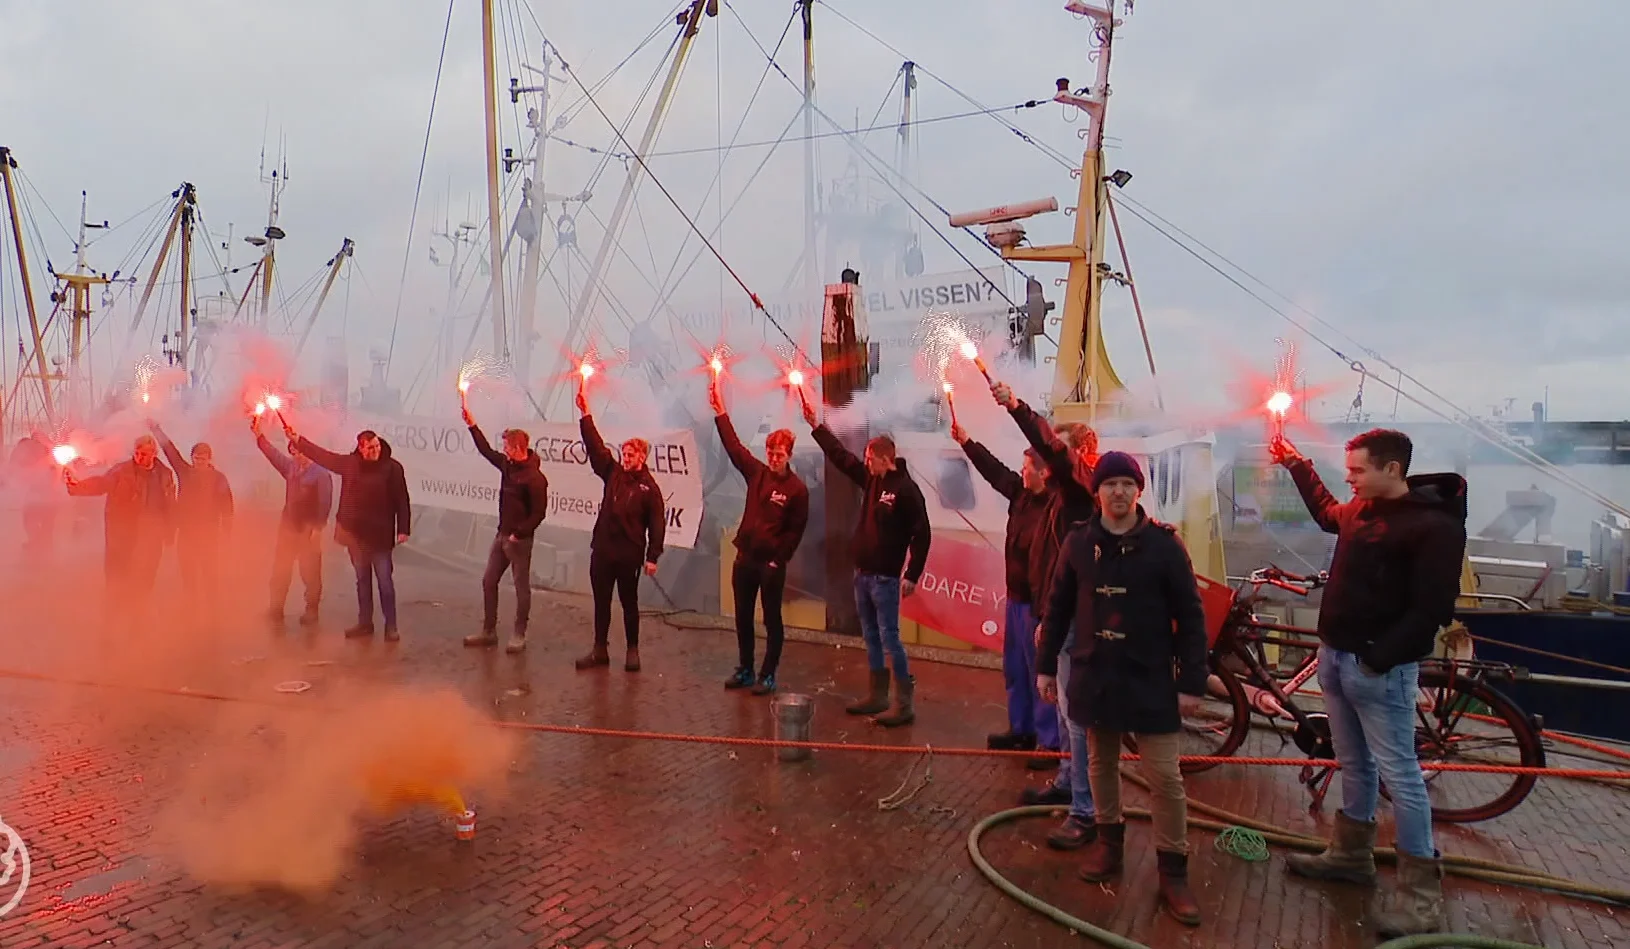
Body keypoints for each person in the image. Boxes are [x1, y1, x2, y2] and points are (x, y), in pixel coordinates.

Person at [1271, 429, 1467, 936]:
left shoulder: (1433, 527)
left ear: (1392, 470)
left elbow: (1432, 610)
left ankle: (1420, 898)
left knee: (1400, 777)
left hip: (1377, 669)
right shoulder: (1360, 512)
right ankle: (1351, 856)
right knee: (1353, 763)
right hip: (1335, 657)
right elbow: (1324, 512)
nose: (1351, 479)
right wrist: (1296, 465)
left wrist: (1379, 659)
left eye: (1358, 471)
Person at [1037, 450, 1210, 927]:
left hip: (1151, 676)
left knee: (1165, 777)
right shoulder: (1078, 543)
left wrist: (1192, 682)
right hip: (1097, 673)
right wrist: (1046, 667)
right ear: (1097, 492)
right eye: (1109, 483)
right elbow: (1057, 609)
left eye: (1127, 484)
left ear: (1139, 491)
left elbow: (1192, 617)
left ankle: (1173, 870)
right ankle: (1108, 846)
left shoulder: (1164, 547)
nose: (1118, 492)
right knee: (1099, 763)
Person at [989, 380, 1100, 847]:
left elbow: (1051, 450)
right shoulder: (1055, 499)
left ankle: (1085, 810)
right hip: (1053, 613)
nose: (1042, 457)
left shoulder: (1079, 491)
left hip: (1076, 620)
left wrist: (1017, 406)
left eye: (1057, 449)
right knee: (1059, 706)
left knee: (1076, 716)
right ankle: (1065, 780)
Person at [802, 397, 930, 727]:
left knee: (890, 637)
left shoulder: (905, 490)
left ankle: (904, 702)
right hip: (864, 575)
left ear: (887, 460)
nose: (866, 462)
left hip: (886, 578)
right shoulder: (872, 480)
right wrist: (817, 427)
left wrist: (912, 573)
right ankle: (877, 694)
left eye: (871, 458)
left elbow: (922, 534)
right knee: (871, 635)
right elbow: (842, 459)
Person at [950, 423, 1058, 756]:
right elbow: (994, 472)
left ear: (1044, 473)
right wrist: (968, 441)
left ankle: (1050, 743)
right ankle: (1022, 730)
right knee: (1014, 668)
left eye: (1027, 469)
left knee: (1040, 674)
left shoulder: (1057, 508)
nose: (1022, 473)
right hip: (1015, 599)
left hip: (1039, 605)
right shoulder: (1022, 496)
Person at [711, 375, 809, 695]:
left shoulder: (796, 490)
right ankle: (746, 668)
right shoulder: (757, 474)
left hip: (770, 565)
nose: (773, 457)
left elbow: (795, 531)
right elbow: (734, 447)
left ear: (789, 454)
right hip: (745, 559)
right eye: (770, 451)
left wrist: (777, 561)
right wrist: (719, 411)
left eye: (779, 453)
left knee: (771, 619)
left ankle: (769, 673)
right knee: (742, 617)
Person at [283, 419, 411, 641]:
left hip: (380, 536)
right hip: (356, 536)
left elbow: (402, 499)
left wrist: (403, 528)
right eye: (370, 448)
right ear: (361, 448)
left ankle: (391, 626)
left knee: (384, 582)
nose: (376, 451)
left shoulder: (392, 468)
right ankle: (365, 623)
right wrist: (298, 441)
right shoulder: (350, 464)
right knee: (362, 580)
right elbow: (324, 456)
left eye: (377, 446)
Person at [574, 385, 665, 672]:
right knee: (601, 602)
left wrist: (653, 557)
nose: (626, 458)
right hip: (602, 551)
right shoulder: (612, 472)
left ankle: (632, 650)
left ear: (643, 457)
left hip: (629, 554)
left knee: (629, 603)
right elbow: (595, 446)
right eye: (624, 454)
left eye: (631, 455)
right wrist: (585, 413)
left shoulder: (649, 488)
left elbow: (657, 524)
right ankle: (599, 649)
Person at [460, 402, 549, 654]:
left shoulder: (535, 479)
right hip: (501, 535)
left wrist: (518, 533)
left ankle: (519, 634)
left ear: (518, 448)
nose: (504, 451)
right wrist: (472, 425)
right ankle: (489, 631)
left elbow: (538, 514)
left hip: (519, 540)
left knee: (521, 587)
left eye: (507, 447)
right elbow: (486, 451)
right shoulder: (507, 466)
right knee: (489, 581)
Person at [65, 434, 177, 625]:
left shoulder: (164, 474)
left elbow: (170, 504)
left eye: (144, 454)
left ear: (154, 454)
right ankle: (113, 620)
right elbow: (102, 483)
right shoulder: (122, 471)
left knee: (146, 577)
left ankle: (138, 618)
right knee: (118, 578)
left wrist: (169, 531)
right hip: (123, 534)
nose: (139, 458)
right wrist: (77, 487)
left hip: (151, 535)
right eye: (137, 453)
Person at [252, 414, 334, 626]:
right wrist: (259, 435)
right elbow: (272, 455)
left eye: (300, 453)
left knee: (310, 572)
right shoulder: (291, 468)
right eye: (294, 453)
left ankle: (311, 610)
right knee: (281, 569)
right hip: (288, 528)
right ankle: (276, 607)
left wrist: (318, 528)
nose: (298, 457)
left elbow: (325, 503)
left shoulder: (320, 474)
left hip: (308, 531)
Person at [150, 422, 234, 624]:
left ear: (209, 459)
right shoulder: (185, 472)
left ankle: (213, 612)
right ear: (192, 458)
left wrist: (227, 531)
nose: (199, 461)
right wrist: (156, 430)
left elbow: (227, 506)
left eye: (203, 458)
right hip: (187, 534)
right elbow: (171, 452)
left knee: (209, 574)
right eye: (196, 458)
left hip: (208, 535)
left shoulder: (218, 478)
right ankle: (191, 609)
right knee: (188, 574)